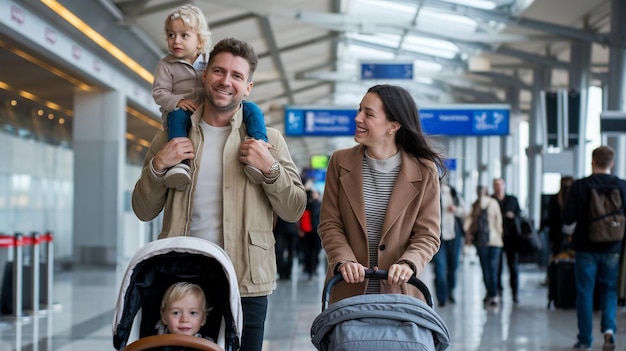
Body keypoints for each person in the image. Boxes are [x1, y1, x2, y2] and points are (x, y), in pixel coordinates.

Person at [132, 37, 307, 351]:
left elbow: (294, 209)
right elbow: (143, 209)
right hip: (182, 280)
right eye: (219, 71)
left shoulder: (270, 140)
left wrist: (271, 169)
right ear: (204, 75)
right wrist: (159, 164)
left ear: (248, 87)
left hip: (247, 284)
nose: (226, 81)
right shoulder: (170, 137)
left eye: (237, 76)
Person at [318, 84, 444, 304]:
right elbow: (330, 224)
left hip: (401, 295)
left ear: (393, 126)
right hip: (348, 293)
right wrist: (344, 261)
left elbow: (428, 234)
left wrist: (409, 263)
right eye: (359, 110)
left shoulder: (424, 170)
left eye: (368, 114)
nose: (357, 118)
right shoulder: (340, 162)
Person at [152, 5, 268, 190]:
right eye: (171, 35)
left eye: (184, 35)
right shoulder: (166, 64)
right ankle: (179, 164)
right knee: (177, 116)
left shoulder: (209, 59)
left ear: (199, 40)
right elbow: (159, 92)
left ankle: (260, 145)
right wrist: (177, 101)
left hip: (207, 112)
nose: (176, 41)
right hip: (183, 111)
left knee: (253, 109)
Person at [562, 146, 626, 351]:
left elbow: (568, 218)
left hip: (585, 246)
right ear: (612, 164)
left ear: (592, 162)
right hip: (613, 248)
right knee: (609, 289)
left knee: (585, 293)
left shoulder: (580, 186)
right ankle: (608, 330)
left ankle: (584, 340)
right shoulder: (623, 186)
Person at [465, 185, 503, 307]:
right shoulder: (493, 203)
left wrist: (469, 233)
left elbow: (467, 223)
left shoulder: (475, 204)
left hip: (481, 241)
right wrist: (500, 235)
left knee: (485, 268)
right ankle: (494, 294)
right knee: (493, 268)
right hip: (495, 241)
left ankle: (489, 292)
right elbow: (499, 222)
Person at [432, 182, 467, 307]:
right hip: (438, 237)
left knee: (453, 267)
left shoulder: (453, 192)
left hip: (454, 236)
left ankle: (450, 291)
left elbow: (465, 211)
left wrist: (456, 210)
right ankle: (441, 297)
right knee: (440, 268)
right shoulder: (432, 191)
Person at [492, 177, 522, 303]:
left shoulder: (512, 200)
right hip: (496, 239)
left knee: (513, 267)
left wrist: (513, 216)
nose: (498, 187)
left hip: (511, 239)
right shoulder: (491, 200)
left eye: (500, 184)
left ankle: (515, 293)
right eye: (496, 185)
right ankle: (498, 291)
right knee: (496, 267)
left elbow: (520, 216)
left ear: (504, 185)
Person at [545, 175, 575, 256]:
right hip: (559, 235)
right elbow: (551, 220)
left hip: (573, 234)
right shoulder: (555, 199)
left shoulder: (576, 199)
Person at [300, 188, 322, 280]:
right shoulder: (315, 205)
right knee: (311, 251)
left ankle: (311, 268)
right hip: (311, 231)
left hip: (312, 231)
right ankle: (311, 269)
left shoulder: (313, 205)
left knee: (312, 251)